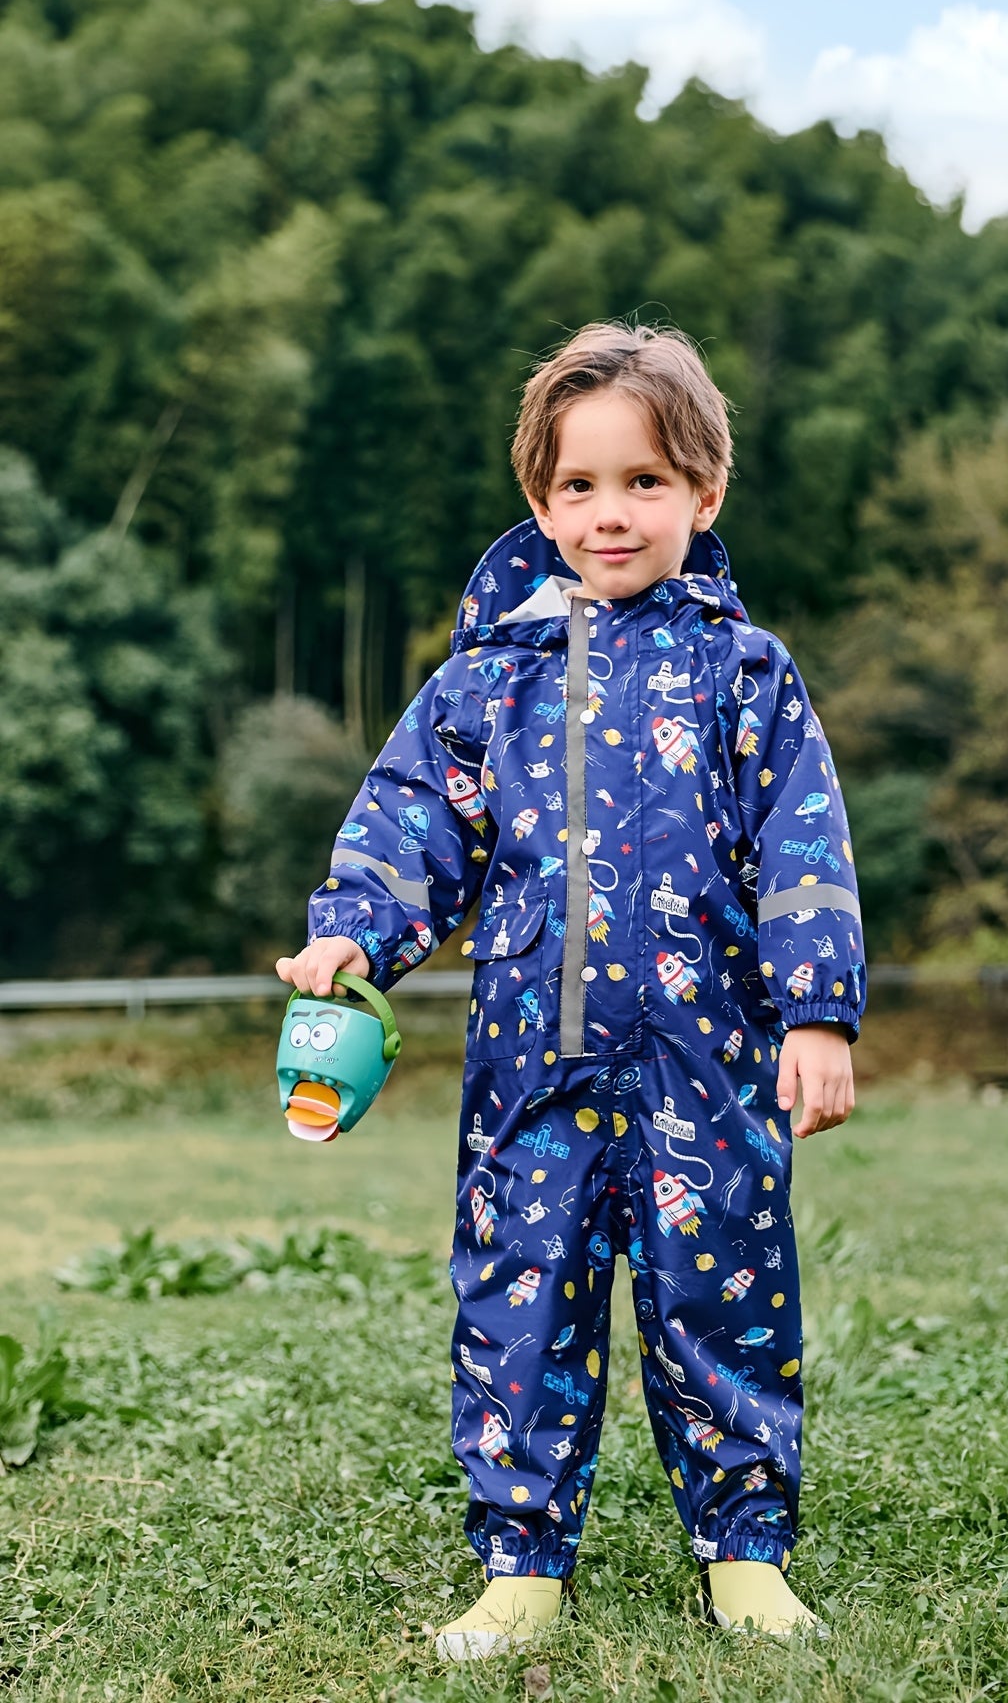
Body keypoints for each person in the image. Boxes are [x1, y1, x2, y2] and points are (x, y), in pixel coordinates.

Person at [276, 322, 865, 1658]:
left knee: (728, 1296)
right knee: (520, 1296)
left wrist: (818, 1011)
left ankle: (745, 1552)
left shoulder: (745, 672)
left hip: (706, 1068)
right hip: (532, 1071)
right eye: (581, 486)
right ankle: (522, 1563)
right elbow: (412, 821)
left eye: (646, 481)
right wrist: (350, 936)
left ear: (703, 495)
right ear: (540, 502)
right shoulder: (488, 680)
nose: (612, 513)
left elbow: (804, 847)